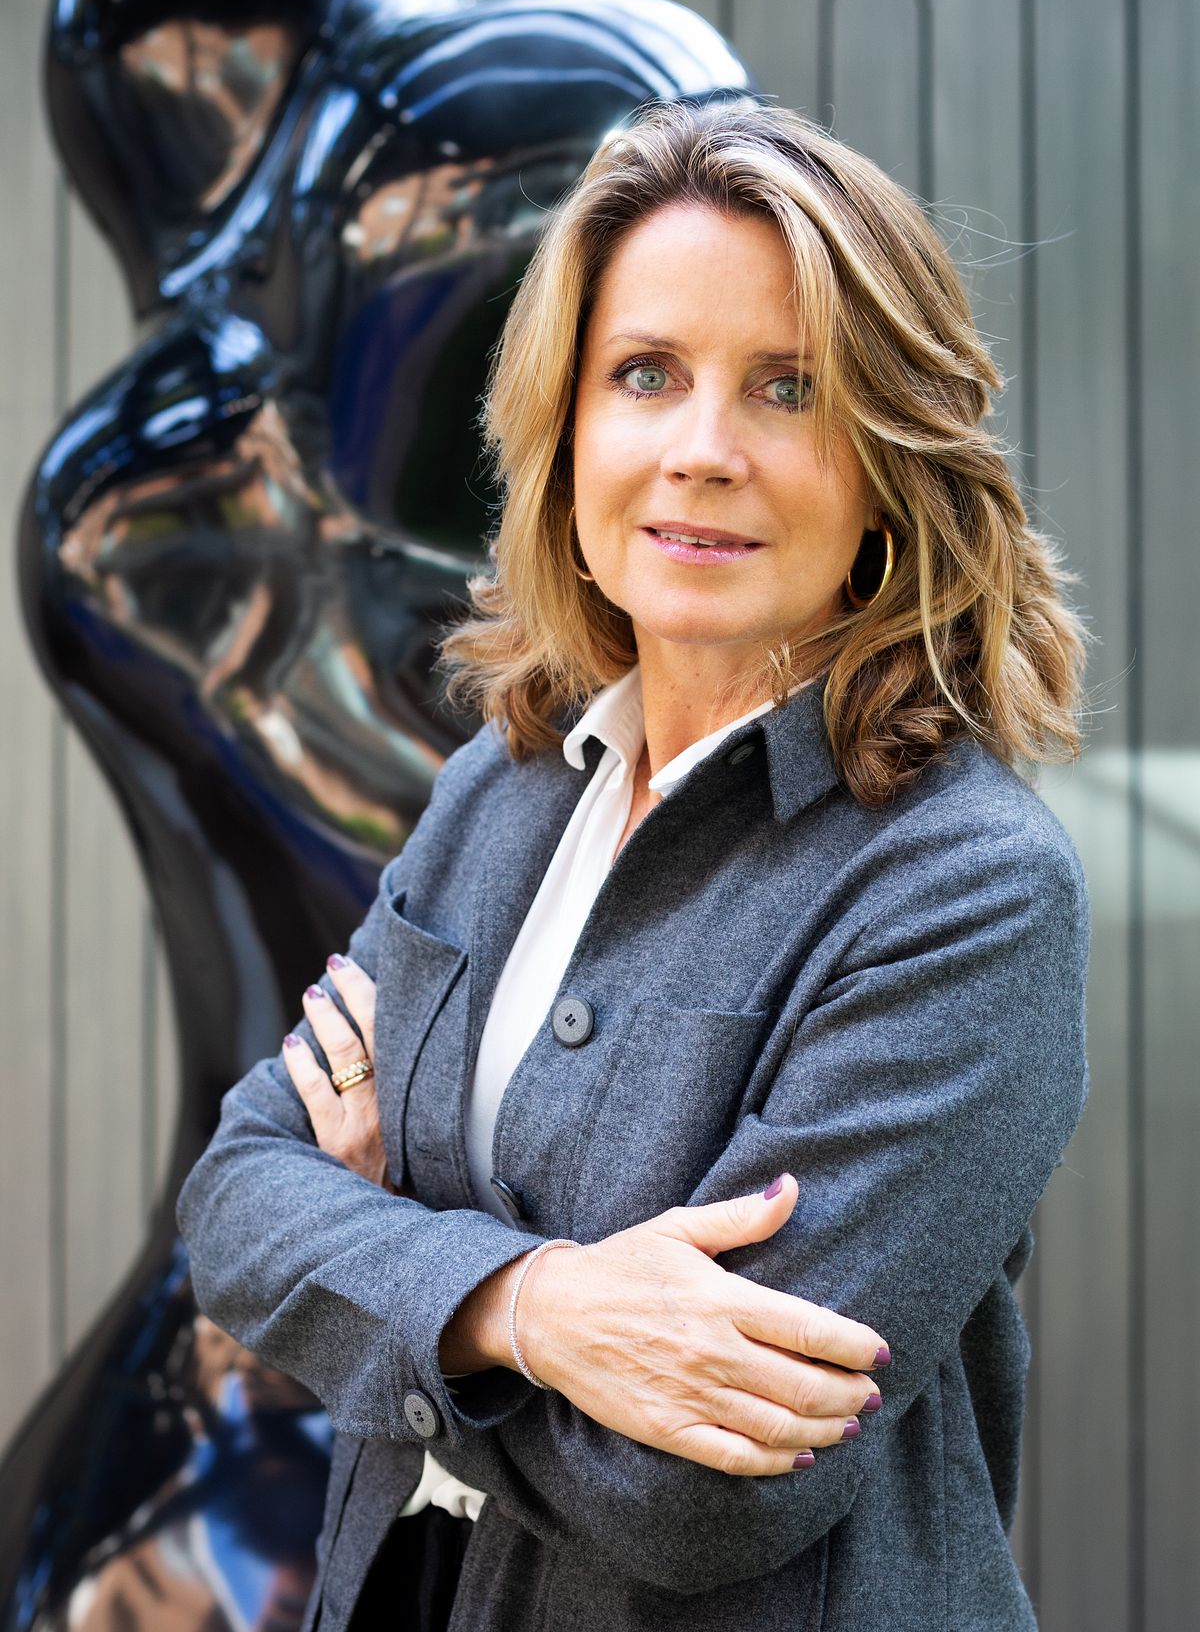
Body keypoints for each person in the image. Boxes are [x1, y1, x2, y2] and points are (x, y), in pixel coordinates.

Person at [175, 95, 1092, 1632]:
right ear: (567, 432)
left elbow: (700, 1488)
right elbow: (236, 1201)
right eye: (645, 375)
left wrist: (384, 1263)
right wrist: (531, 1309)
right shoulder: (500, 790)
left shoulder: (966, 893)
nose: (702, 452)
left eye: (790, 389)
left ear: (891, 461)